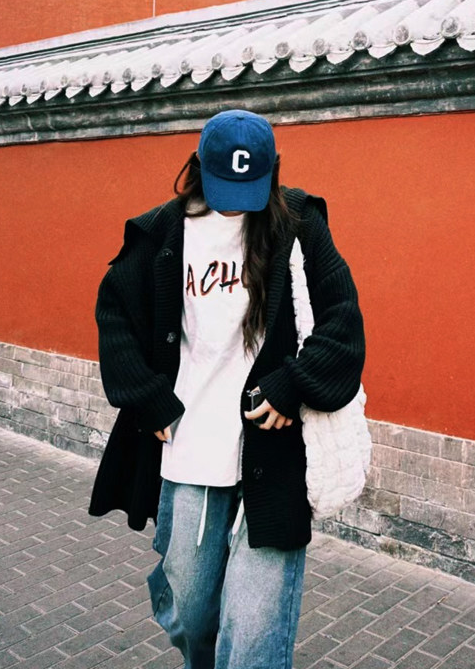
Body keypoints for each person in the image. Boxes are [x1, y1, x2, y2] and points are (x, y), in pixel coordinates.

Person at [88, 109, 365, 669]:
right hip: (190, 451)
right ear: (198, 169)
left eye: (249, 188)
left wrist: (292, 386)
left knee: (254, 633)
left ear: (272, 171)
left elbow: (343, 322)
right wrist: (148, 399)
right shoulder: (161, 232)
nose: (237, 203)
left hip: (273, 458)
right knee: (191, 613)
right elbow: (113, 313)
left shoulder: (300, 225)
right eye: (224, 188)